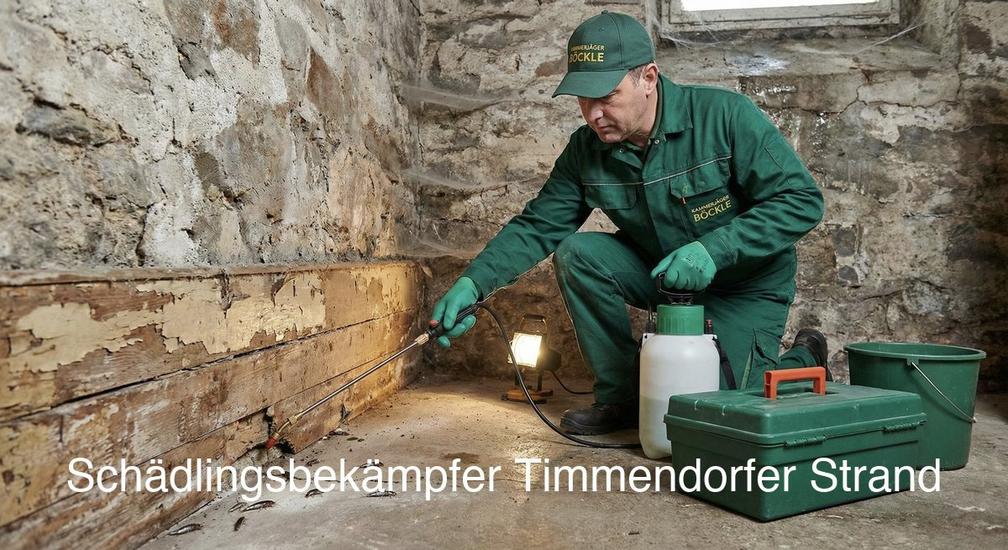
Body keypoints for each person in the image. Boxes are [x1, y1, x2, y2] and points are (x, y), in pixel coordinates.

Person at [429, 11, 828, 435]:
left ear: (649, 78)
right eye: (584, 99)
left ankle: (805, 355)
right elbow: (537, 226)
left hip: (744, 286)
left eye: (608, 96)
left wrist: (715, 249)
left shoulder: (725, 117)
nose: (594, 114)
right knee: (578, 253)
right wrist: (473, 284)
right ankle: (620, 398)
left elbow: (802, 201)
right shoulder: (585, 151)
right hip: (663, 276)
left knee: (721, 417)